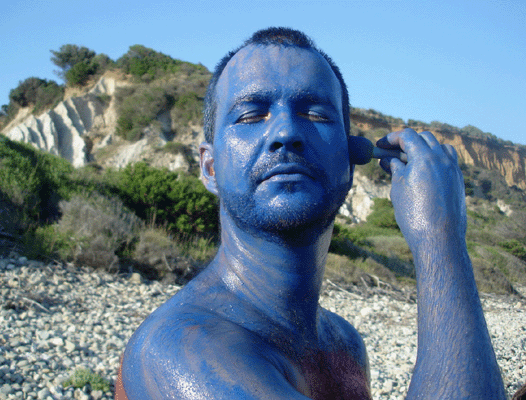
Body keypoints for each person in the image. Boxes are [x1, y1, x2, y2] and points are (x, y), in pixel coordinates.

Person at [116, 27, 505, 399]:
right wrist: (439, 235)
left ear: (352, 158)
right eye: (250, 116)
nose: (286, 132)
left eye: (316, 114)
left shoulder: (344, 344)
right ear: (209, 166)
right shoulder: (180, 349)